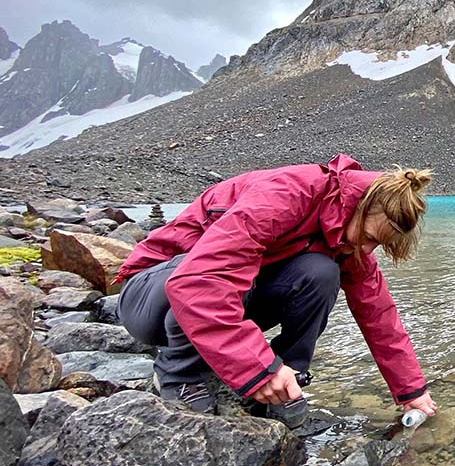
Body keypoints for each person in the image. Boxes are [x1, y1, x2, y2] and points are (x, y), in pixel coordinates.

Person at [115, 153, 438, 428]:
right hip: (148, 300)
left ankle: (288, 378)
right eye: (369, 237)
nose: (367, 249)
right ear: (360, 206)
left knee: (322, 273)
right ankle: (179, 375)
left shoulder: (344, 238)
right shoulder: (287, 193)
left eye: (376, 245)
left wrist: (412, 392)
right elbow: (199, 282)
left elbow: (378, 315)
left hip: (212, 297)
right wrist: (257, 371)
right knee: (238, 268)